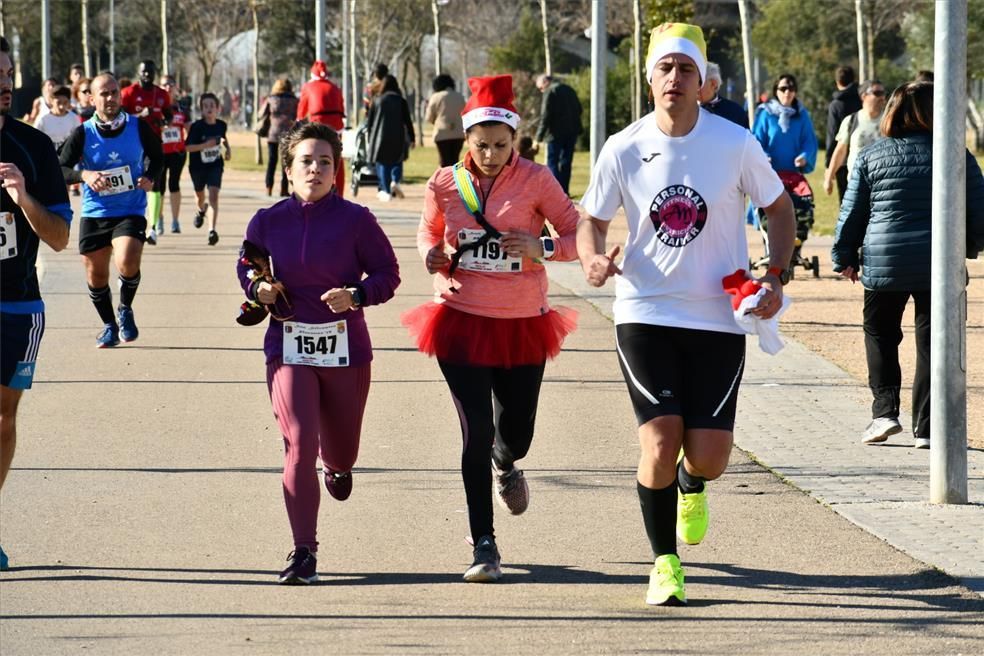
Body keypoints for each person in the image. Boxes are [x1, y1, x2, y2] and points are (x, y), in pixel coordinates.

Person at [577, 23, 795, 606]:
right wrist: (593, 259)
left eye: (686, 69)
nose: (675, 78)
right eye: (665, 68)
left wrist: (773, 275)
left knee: (708, 456)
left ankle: (693, 483)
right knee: (658, 440)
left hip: (719, 316)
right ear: (649, 79)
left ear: (704, 82)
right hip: (645, 309)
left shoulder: (735, 143)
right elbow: (591, 221)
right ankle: (664, 563)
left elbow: (778, 209)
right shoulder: (623, 147)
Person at [402, 74, 580, 583]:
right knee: (474, 431)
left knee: (515, 433)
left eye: (502, 145)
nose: (492, 154)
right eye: (482, 145)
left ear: (515, 140)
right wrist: (431, 259)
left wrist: (539, 248)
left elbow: (574, 233)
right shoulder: (444, 182)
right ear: (466, 139)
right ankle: (484, 543)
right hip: (461, 319)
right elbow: (427, 234)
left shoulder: (537, 179)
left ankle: (508, 462)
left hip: (523, 321)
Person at [237, 122, 400, 584]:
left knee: (341, 450)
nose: (316, 168)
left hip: (346, 350)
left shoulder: (356, 220)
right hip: (288, 345)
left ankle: (339, 465)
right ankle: (303, 550)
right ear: (289, 171)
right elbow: (247, 264)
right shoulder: (267, 221)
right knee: (300, 442)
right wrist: (259, 287)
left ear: (336, 171)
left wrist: (357, 294)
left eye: (325, 161)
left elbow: (388, 274)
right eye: (306, 161)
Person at [831, 81, 984, 449]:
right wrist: (971, 247)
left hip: (886, 261)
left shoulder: (871, 155)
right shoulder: (955, 154)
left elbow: (852, 212)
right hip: (940, 262)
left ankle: (884, 412)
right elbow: (979, 210)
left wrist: (845, 256)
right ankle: (927, 428)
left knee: (881, 334)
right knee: (935, 343)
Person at [0, 35, 72, 571]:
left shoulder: (34, 148)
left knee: (2, 419)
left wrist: (24, 198)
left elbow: (59, 238)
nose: (4, 83)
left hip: (17, 305)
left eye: (7, 73)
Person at [58, 72, 162, 348]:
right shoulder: (83, 133)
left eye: (114, 92)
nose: (110, 98)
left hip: (130, 210)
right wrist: (86, 176)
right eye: (103, 93)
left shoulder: (138, 127)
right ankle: (108, 325)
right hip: (96, 212)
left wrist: (151, 178)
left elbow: (159, 157)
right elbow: (61, 168)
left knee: (127, 259)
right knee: (96, 274)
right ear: (92, 99)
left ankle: (125, 308)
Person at [120, 61, 172, 245]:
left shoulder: (162, 94)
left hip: (154, 145)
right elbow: (120, 117)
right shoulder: (128, 93)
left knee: (154, 184)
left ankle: (153, 227)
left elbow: (169, 114)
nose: (147, 75)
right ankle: (128, 221)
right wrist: (140, 115)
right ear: (138, 72)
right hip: (133, 144)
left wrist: (164, 122)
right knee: (132, 183)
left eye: (150, 72)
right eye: (144, 72)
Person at [823, 80, 887, 196]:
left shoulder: (889, 121)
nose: (882, 97)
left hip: (883, 187)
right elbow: (841, 151)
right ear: (864, 96)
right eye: (877, 93)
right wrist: (829, 177)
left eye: (883, 93)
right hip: (856, 186)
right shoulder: (851, 121)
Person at [185, 92, 230, 246]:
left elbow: (223, 139)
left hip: (215, 165)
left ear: (217, 108)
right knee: (200, 197)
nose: (209, 108)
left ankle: (212, 230)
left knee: (213, 196)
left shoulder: (221, 125)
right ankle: (200, 210)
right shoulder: (196, 127)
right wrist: (205, 145)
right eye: (206, 106)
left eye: (212, 105)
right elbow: (187, 147)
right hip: (197, 167)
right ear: (201, 110)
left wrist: (228, 149)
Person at [297, 61, 346, 198]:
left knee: (316, 157)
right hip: (337, 126)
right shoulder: (335, 87)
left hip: (318, 124)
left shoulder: (308, 86)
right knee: (337, 158)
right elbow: (341, 107)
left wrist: (299, 122)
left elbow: (302, 110)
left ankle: (316, 188)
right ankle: (339, 192)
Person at [753, 74, 818, 175]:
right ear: (776, 91)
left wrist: (804, 156)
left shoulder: (802, 114)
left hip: (794, 175)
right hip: (768, 175)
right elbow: (756, 142)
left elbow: (809, 142)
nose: (787, 92)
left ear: (795, 91)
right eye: (783, 88)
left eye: (791, 88)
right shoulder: (766, 113)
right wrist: (764, 156)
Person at [365, 75, 414, 201]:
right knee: (397, 160)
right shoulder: (401, 101)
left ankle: (386, 190)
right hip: (398, 135)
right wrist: (412, 137)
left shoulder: (376, 100)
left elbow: (370, 122)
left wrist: (370, 136)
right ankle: (395, 181)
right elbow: (408, 121)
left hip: (379, 137)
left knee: (382, 163)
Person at [534, 73, 582, 195]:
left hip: (554, 134)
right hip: (571, 132)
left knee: (552, 162)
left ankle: (556, 192)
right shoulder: (569, 89)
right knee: (566, 162)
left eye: (540, 88)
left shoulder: (550, 91)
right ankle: (565, 191)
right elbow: (579, 109)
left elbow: (545, 116)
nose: (541, 91)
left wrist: (538, 137)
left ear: (545, 82)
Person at [825, 66, 863, 202]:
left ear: (837, 82)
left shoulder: (836, 105)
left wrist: (829, 164)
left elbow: (832, 133)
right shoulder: (863, 100)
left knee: (846, 200)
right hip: (863, 155)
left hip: (843, 160)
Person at [158, 75, 189, 233]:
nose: (168, 88)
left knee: (174, 185)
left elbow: (189, 127)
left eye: (171, 84)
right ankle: (159, 219)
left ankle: (175, 221)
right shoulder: (156, 106)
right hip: (160, 152)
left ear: (176, 87)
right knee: (160, 187)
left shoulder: (182, 107)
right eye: (164, 85)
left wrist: (188, 145)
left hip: (177, 153)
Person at [257, 78, 298, 197]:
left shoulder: (271, 99)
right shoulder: (294, 101)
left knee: (271, 161)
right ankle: (283, 189)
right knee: (285, 162)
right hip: (288, 134)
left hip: (273, 133)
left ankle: (268, 187)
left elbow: (261, 114)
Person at [425, 74, 466, 168]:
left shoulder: (436, 97)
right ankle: (455, 180)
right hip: (458, 133)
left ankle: (445, 181)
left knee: (444, 161)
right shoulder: (460, 96)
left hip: (441, 134)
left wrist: (435, 122)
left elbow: (429, 117)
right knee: (455, 160)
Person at [699, 62, 748, 129]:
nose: (692, 86)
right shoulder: (684, 109)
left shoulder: (736, 112)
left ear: (713, 84)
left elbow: (745, 138)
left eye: (699, 82)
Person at [33, 85, 78, 151]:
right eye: (58, 102)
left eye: (65, 103)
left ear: (69, 102)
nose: (61, 106)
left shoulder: (74, 118)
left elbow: (78, 140)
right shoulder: (43, 118)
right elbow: (34, 138)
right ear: (51, 101)